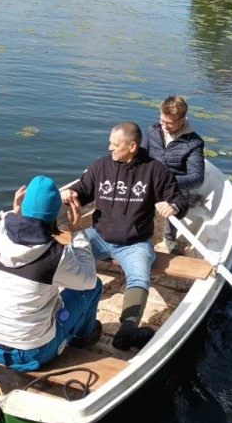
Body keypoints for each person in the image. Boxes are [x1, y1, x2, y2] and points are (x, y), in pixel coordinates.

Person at [60, 122, 188, 351]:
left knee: (139, 276)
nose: (109, 148)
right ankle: (54, 307)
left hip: (134, 243)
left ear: (132, 146)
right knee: (64, 258)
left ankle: (128, 329)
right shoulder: (99, 167)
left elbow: (178, 198)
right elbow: (83, 189)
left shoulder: (155, 170)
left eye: (114, 144)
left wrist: (173, 207)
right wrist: (69, 193)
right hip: (98, 236)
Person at [0, 175, 104, 372]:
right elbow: (88, 280)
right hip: (32, 352)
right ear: (53, 215)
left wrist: (14, 213)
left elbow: (7, 230)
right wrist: (77, 232)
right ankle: (84, 337)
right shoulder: (56, 256)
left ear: (22, 203)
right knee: (93, 288)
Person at [142, 95, 205, 254]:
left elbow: (197, 178)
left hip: (174, 185)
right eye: (161, 120)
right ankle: (139, 233)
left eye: (169, 123)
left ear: (182, 120)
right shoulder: (152, 131)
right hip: (149, 180)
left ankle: (169, 239)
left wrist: (167, 182)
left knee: (175, 200)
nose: (163, 125)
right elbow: (140, 157)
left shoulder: (194, 143)